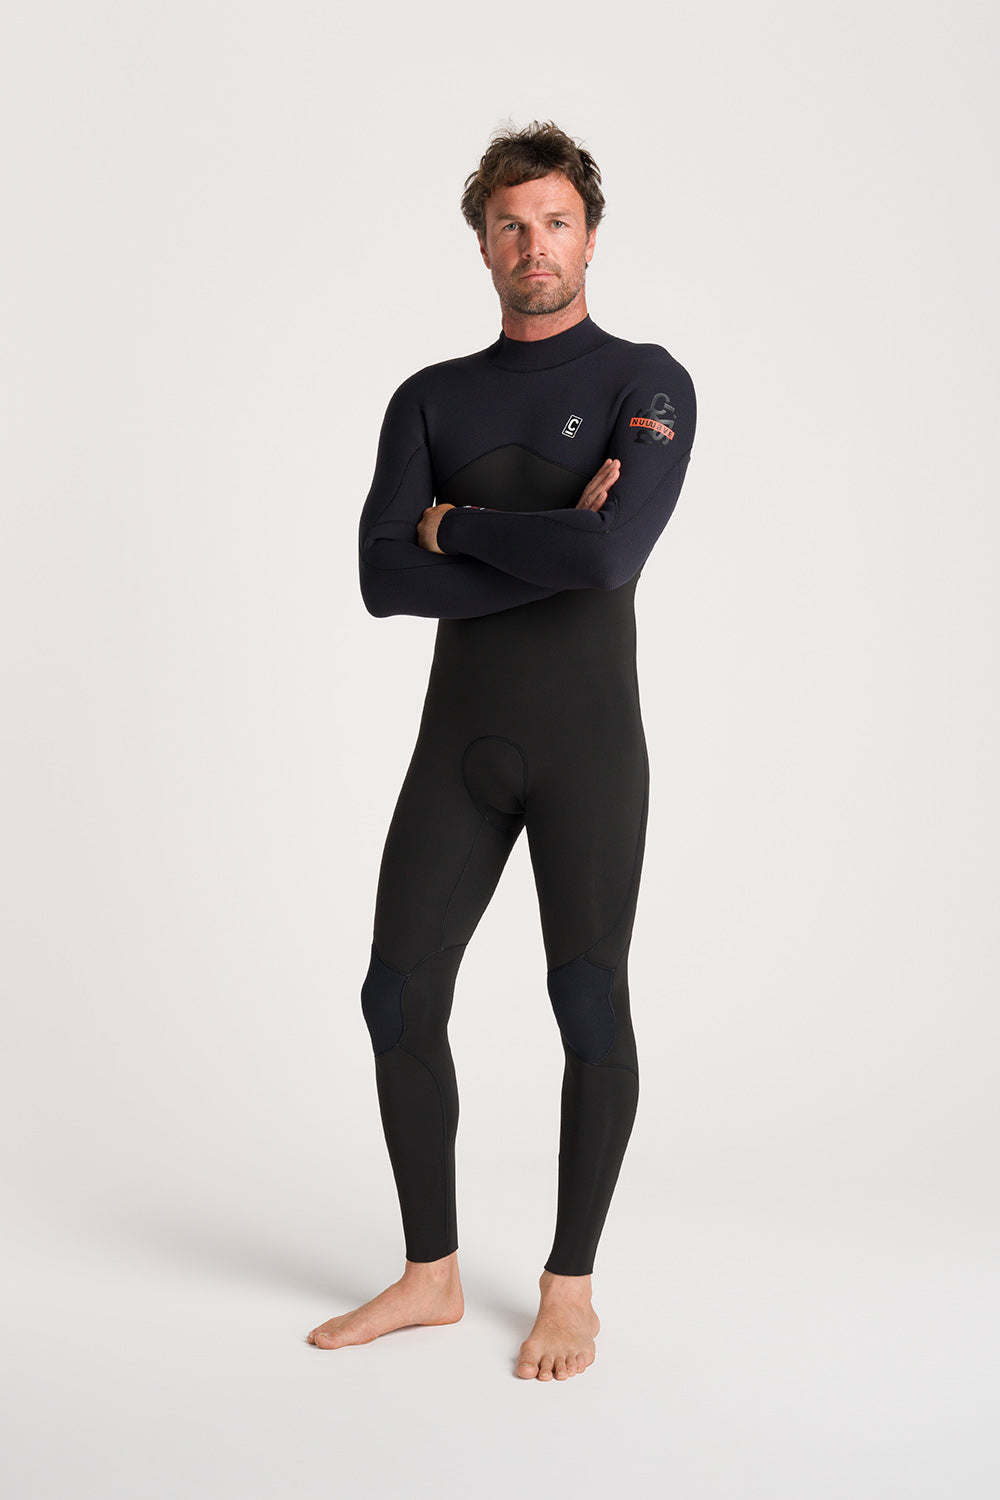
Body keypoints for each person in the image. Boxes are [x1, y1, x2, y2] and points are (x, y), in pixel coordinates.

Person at [307, 121, 696, 1380]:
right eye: (510, 226)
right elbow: (381, 582)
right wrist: (545, 541)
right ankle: (429, 1275)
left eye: (556, 222)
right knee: (395, 995)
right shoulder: (430, 397)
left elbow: (612, 556)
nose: (535, 245)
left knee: (586, 1000)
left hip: (589, 751)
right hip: (458, 749)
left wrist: (456, 526)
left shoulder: (647, 381)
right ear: (482, 245)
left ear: (591, 234)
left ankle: (568, 1289)